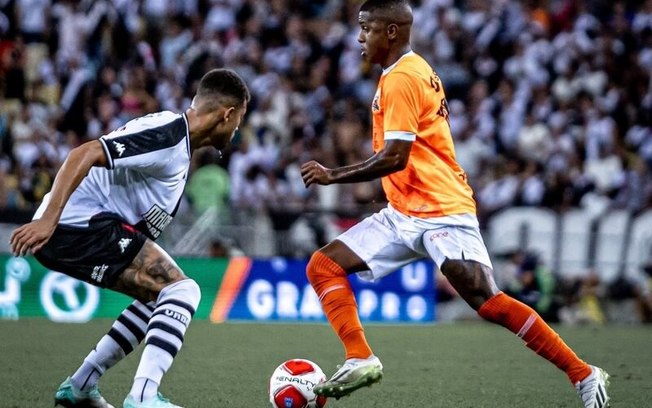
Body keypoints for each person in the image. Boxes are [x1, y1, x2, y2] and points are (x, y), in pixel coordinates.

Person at [299, 1, 610, 407]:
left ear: (391, 31)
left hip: (441, 209)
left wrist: (331, 175)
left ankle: (584, 374)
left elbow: (397, 156)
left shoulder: (403, 79)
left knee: (488, 302)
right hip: (404, 212)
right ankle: (359, 356)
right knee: (323, 265)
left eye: (366, 28)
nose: (359, 38)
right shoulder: (411, 70)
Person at [10, 68, 250, 408]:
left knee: (159, 298)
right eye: (239, 120)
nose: (238, 129)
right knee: (183, 290)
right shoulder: (168, 135)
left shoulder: (178, 147)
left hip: (88, 228)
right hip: (77, 227)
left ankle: (80, 386)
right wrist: (49, 220)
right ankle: (143, 396)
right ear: (226, 114)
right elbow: (84, 153)